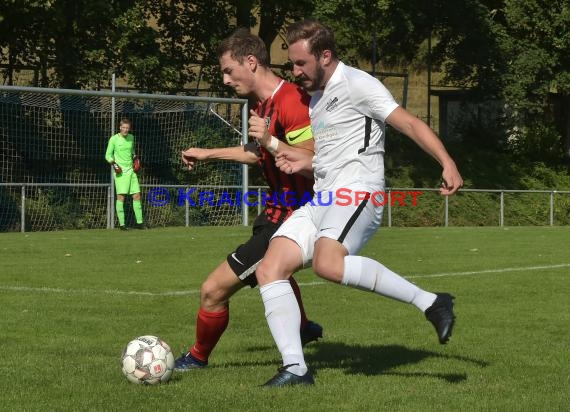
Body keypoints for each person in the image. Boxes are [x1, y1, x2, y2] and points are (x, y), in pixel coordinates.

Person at [254, 19, 464, 387]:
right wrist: (302, 160)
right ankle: (296, 369)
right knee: (270, 268)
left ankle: (432, 301)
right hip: (324, 196)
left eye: (302, 64)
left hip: (358, 191)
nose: (296, 72)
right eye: (292, 65)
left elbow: (410, 124)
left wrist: (446, 162)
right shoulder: (316, 99)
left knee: (328, 264)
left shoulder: (357, 83)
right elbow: (331, 154)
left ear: (326, 55)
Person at [174, 29, 323, 371]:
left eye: (228, 70)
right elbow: (258, 154)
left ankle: (197, 358)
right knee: (275, 273)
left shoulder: (292, 103)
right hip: (275, 212)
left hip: (296, 216)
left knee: (212, 290)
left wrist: (271, 143)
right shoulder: (262, 103)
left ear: (251, 62)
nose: (225, 79)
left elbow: (313, 162)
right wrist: (207, 153)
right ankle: (302, 327)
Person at [105, 118, 145, 230]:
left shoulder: (132, 138)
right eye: (124, 128)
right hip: (120, 173)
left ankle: (140, 223)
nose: (126, 130)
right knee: (121, 197)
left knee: (137, 195)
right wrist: (114, 164)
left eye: (128, 128)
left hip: (131, 171)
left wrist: (135, 158)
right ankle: (122, 225)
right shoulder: (113, 139)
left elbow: (132, 152)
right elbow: (108, 155)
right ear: (120, 127)